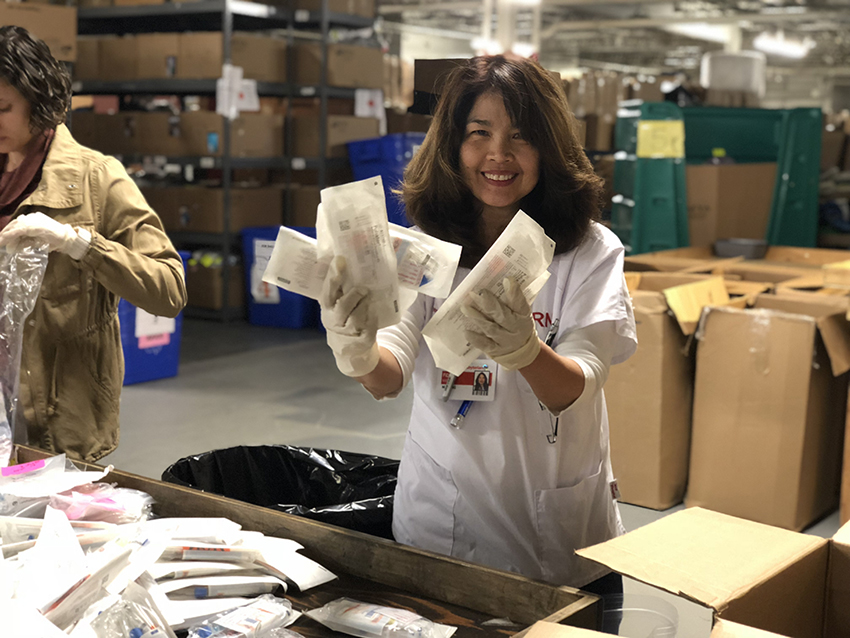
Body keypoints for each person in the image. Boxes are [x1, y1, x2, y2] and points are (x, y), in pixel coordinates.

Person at [319, 56, 636, 596]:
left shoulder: (587, 251)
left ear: (550, 149)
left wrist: (526, 351)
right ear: (451, 146)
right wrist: (357, 350)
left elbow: (579, 384)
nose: (499, 154)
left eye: (521, 137)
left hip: (558, 543)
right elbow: (389, 376)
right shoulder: (424, 245)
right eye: (479, 134)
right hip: (436, 533)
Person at [0, 26, 187, 463]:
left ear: (38, 99)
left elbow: (169, 289)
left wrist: (81, 244)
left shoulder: (97, 178)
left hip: (54, 429)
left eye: (2, 108)